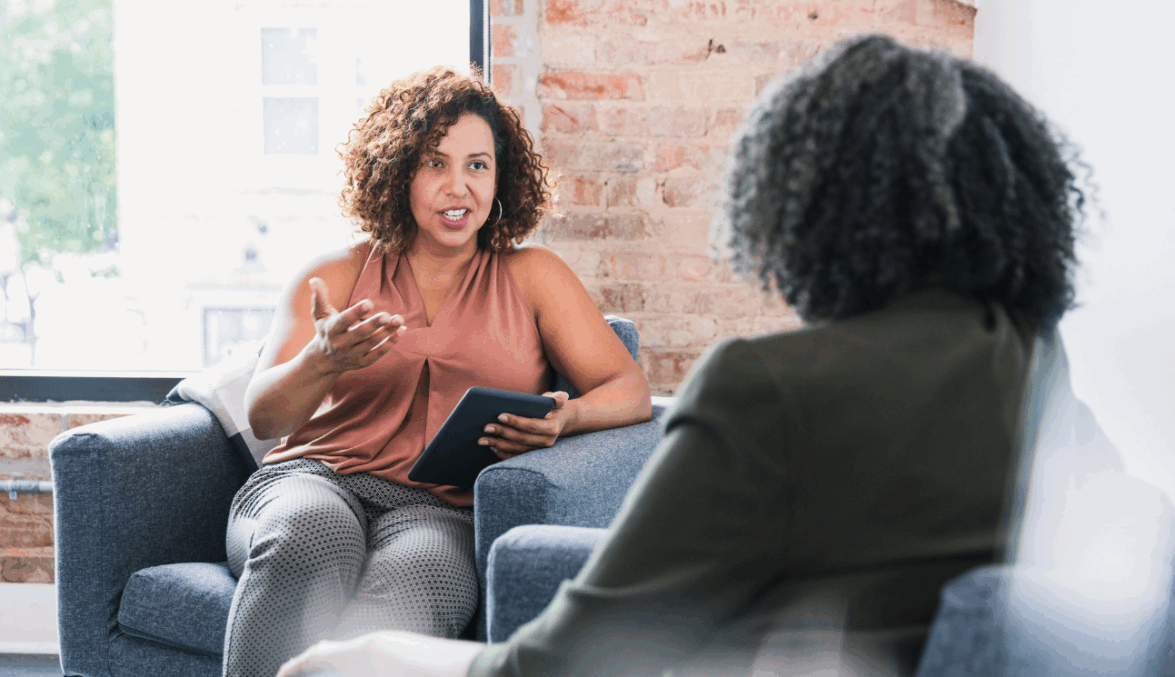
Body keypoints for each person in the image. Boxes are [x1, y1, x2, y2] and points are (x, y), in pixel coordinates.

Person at [276, 33, 1088, 677]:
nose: (459, 185)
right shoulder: (1027, 360)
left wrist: (374, 657)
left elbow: (562, 662)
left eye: (476, 163)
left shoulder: (761, 389)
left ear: (799, 204)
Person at [225, 66, 653, 677]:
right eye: (435, 163)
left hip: (440, 510)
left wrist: (569, 418)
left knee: (421, 576)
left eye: (477, 165)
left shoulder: (534, 277)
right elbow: (266, 416)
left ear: (501, 178)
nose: (458, 187)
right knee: (314, 533)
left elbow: (631, 390)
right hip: (314, 480)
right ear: (400, 173)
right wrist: (323, 361)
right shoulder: (338, 272)